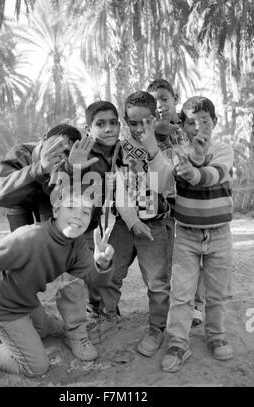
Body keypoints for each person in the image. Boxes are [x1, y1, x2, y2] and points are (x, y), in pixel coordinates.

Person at [0, 188, 114, 377]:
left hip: (26, 302)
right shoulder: (29, 238)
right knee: (35, 367)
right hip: (2, 306)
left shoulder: (77, 244)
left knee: (43, 331)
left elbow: (94, 279)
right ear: (56, 211)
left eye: (85, 212)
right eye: (71, 207)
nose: (78, 216)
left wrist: (102, 265)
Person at [0, 124, 101, 361]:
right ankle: (8, 315)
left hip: (51, 201)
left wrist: (72, 169)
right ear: (42, 140)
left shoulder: (74, 163)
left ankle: (76, 331)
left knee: (69, 252)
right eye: (55, 149)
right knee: (21, 261)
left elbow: (82, 214)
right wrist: (39, 168)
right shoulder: (20, 154)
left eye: (66, 154)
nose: (59, 157)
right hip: (19, 203)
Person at [88, 91, 173, 356]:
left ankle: (156, 328)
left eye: (145, 122)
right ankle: (108, 315)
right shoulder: (121, 149)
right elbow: (119, 190)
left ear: (154, 118)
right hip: (126, 223)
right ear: (126, 121)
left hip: (156, 226)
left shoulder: (168, 146)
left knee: (157, 282)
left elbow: (164, 184)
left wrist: (151, 147)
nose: (139, 129)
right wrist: (133, 220)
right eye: (133, 123)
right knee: (110, 272)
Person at [161, 96, 234, 372]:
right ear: (183, 126)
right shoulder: (177, 153)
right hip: (188, 236)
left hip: (219, 235)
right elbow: (177, 178)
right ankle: (178, 343)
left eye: (205, 120)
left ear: (214, 122)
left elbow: (214, 175)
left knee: (217, 292)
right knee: (181, 294)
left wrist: (198, 165)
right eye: (191, 122)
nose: (198, 126)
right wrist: (191, 163)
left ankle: (216, 335)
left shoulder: (224, 149)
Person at [52, 101, 123, 321]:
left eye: (113, 123)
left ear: (120, 125)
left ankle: (105, 309)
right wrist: (72, 167)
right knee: (80, 275)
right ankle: (83, 317)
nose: (108, 128)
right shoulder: (82, 151)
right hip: (79, 226)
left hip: (105, 225)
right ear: (88, 128)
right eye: (100, 124)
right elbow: (55, 184)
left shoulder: (124, 151)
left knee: (108, 268)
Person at [147, 79, 205, 327]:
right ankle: (173, 305)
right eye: (154, 101)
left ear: (175, 98)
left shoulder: (188, 126)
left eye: (163, 98)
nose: (159, 105)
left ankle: (196, 306)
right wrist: (156, 132)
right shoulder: (147, 130)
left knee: (194, 258)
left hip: (189, 206)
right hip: (161, 209)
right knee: (167, 261)